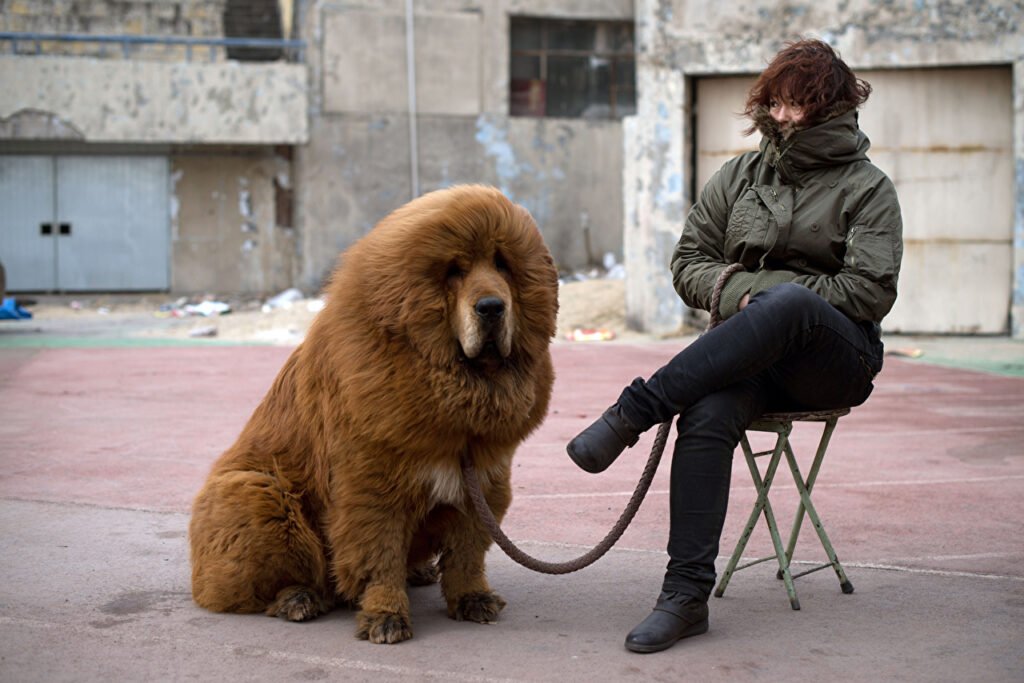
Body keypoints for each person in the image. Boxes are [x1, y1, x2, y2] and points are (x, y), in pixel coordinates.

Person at [567, 39, 903, 654]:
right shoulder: (739, 177)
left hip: (834, 361)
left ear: (830, 107)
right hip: (747, 357)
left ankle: (636, 411)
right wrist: (747, 298)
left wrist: (769, 295)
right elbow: (688, 263)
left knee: (794, 305)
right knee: (708, 411)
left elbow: (868, 291)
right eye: (772, 101)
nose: (779, 116)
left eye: (796, 105)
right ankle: (685, 596)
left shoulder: (867, 188)